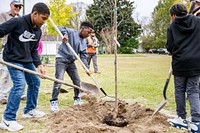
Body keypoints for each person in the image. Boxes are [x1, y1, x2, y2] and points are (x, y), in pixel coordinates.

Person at [0, 2, 50, 132]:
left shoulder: (38, 31)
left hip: (26, 60)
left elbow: (33, 50)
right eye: (43, 18)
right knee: (19, 85)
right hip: (12, 59)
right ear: (34, 14)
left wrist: (38, 65)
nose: (44, 22)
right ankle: (7, 119)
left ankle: (29, 110)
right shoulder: (17, 22)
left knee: (35, 82)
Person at [166, 4, 200, 132]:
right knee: (193, 91)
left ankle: (181, 117)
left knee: (180, 90)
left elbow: (169, 47)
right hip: (197, 63)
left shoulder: (172, 27)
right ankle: (197, 120)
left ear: (173, 15)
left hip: (180, 63)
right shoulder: (198, 21)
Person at [50, 21, 93, 113]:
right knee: (59, 80)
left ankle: (77, 99)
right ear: (82, 29)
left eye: (90, 33)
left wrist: (87, 68)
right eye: (88, 32)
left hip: (71, 62)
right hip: (61, 59)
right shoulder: (71, 32)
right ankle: (54, 102)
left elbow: (83, 56)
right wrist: (65, 35)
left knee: (77, 81)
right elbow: (59, 27)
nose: (89, 35)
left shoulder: (84, 41)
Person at [0, 0, 26, 104]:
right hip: (7, 47)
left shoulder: (21, 18)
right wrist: (14, 22)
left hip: (19, 49)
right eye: (16, 6)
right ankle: (3, 96)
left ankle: (22, 93)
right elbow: (3, 30)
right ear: (11, 5)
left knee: (21, 70)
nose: (18, 8)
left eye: (20, 7)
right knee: (6, 73)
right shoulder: (3, 15)